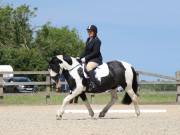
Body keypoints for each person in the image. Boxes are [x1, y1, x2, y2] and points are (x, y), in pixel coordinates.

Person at [80, 25, 103, 90]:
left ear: (94, 32)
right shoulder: (88, 40)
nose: (89, 33)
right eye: (88, 31)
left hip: (96, 59)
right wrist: (80, 57)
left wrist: (85, 58)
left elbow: (96, 52)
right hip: (89, 59)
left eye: (90, 31)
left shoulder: (97, 41)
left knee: (88, 67)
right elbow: (85, 51)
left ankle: (94, 83)